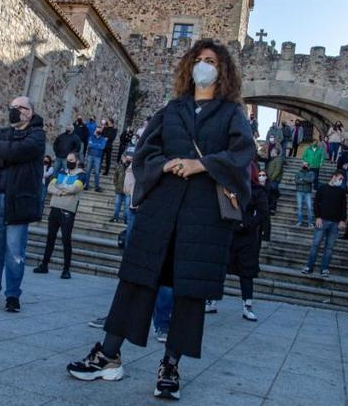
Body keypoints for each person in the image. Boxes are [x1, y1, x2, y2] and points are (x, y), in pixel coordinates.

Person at [66, 39, 254, 401]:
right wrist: (165, 164)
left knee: (189, 290)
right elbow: (145, 153)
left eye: (211, 61)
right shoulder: (171, 110)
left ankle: (170, 365)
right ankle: (108, 354)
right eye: (198, 60)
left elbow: (241, 155)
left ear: (223, 70)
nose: (204, 65)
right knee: (136, 279)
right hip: (162, 209)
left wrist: (202, 164)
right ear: (189, 66)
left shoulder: (232, 114)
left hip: (204, 217)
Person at [0, 96, 45, 313]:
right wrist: (6, 157)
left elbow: (20, 151)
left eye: (20, 107)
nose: (15, 110)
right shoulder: (4, 132)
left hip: (18, 201)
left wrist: (4, 153)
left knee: (14, 251)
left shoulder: (37, 135)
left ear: (30, 112)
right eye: (12, 107)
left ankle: (12, 295)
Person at [206, 162, 269, 321]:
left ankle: (247, 305)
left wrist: (246, 223)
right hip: (229, 233)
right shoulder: (231, 187)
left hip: (247, 237)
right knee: (221, 268)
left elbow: (263, 214)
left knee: (246, 272)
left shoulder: (257, 191)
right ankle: (212, 300)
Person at [34, 152, 85, 279]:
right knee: (50, 238)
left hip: (67, 211)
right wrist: (63, 191)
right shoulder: (62, 171)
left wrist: (60, 188)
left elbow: (74, 189)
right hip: (55, 209)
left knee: (66, 240)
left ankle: (66, 269)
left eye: (71, 160)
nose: (68, 162)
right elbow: (50, 186)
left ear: (77, 161)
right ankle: (44, 265)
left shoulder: (82, 175)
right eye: (68, 159)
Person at [301, 171, 348, 277]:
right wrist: (317, 217)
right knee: (315, 244)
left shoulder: (341, 191)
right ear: (333, 177)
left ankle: (324, 268)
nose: (341, 181)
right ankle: (309, 266)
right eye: (340, 178)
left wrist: (342, 220)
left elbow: (344, 207)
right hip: (322, 221)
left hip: (335, 223)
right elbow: (316, 203)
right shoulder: (322, 188)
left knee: (329, 247)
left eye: (342, 179)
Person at [84, 126, 107, 192]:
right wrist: (97, 145)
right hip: (90, 156)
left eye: (99, 130)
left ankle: (97, 187)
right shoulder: (91, 137)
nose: (98, 131)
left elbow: (102, 147)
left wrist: (94, 145)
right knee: (88, 171)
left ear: (101, 131)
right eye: (97, 130)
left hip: (98, 157)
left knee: (97, 172)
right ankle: (86, 186)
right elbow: (90, 145)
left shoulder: (103, 139)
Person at [109, 154, 131, 223]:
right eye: (125, 157)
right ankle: (115, 218)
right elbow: (115, 177)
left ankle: (126, 220)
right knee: (117, 204)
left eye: (128, 158)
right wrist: (116, 185)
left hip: (128, 190)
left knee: (127, 206)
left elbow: (128, 169)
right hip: (119, 190)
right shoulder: (119, 166)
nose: (126, 159)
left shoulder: (132, 167)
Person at [293, 161, 315, 228]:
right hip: (299, 191)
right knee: (299, 207)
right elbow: (296, 181)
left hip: (307, 192)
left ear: (308, 166)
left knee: (309, 208)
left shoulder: (311, 173)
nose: (304, 166)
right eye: (303, 164)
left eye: (306, 165)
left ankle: (310, 223)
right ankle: (299, 222)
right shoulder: (298, 173)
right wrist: (306, 181)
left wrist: (302, 179)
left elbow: (311, 181)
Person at [265, 147, 284, 214]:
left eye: (271, 151)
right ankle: (269, 208)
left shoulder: (278, 159)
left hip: (274, 180)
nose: (270, 153)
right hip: (270, 180)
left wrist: (271, 178)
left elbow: (277, 170)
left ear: (275, 152)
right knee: (270, 194)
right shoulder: (273, 159)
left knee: (273, 195)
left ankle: (272, 209)